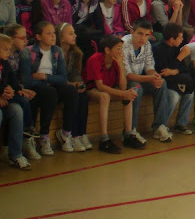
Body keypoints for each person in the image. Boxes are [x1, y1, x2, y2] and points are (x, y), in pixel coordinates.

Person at [19, 21, 79, 155]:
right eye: (48, 33)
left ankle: (66, 133)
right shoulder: (28, 52)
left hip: (51, 84)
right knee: (50, 92)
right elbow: (26, 81)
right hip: (37, 89)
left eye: (53, 33)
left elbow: (62, 78)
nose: (53, 36)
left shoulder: (57, 51)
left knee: (71, 91)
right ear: (38, 37)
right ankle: (44, 137)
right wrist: (47, 82)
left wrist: (44, 77)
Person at [83, 35, 142, 153]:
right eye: (118, 49)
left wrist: (120, 65)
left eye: (121, 49)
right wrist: (123, 93)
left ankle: (128, 134)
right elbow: (100, 86)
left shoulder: (116, 61)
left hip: (109, 88)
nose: (120, 52)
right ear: (107, 50)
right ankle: (104, 139)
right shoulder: (96, 59)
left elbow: (123, 86)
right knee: (105, 96)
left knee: (129, 95)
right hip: (91, 89)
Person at [122, 18, 173, 143]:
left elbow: (149, 68)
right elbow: (128, 75)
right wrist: (150, 78)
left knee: (161, 84)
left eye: (146, 35)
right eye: (140, 34)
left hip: (141, 78)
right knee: (136, 89)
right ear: (132, 32)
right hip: (125, 81)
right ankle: (131, 130)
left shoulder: (147, 45)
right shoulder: (124, 44)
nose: (143, 38)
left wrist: (156, 77)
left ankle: (159, 126)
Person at [152, 23, 195, 135]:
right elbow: (164, 71)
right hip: (165, 82)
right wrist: (180, 57)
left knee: (190, 93)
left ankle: (181, 124)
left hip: (175, 79)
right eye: (180, 37)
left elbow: (183, 68)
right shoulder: (158, 49)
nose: (182, 40)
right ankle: (162, 125)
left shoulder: (175, 48)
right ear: (172, 39)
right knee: (174, 96)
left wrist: (174, 71)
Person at [55, 22, 92, 152]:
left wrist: (80, 84)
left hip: (70, 85)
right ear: (61, 37)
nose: (75, 36)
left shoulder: (75, 53)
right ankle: (72, 134)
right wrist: (72, 84)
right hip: (58, 87)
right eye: (71, 33)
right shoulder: (55, 53)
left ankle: (82, 133)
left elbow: (76, 74)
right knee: (73, 93)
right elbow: (55, 76)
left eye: (74, 33)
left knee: (83, 94)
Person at [0, 33, 32, 170]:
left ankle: (16, 155)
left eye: (9, 49)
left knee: (17, 110)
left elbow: (12, 79)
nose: (8, 52)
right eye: (5, 49)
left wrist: (15, 90)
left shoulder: (4, 63)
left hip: (4, 101)